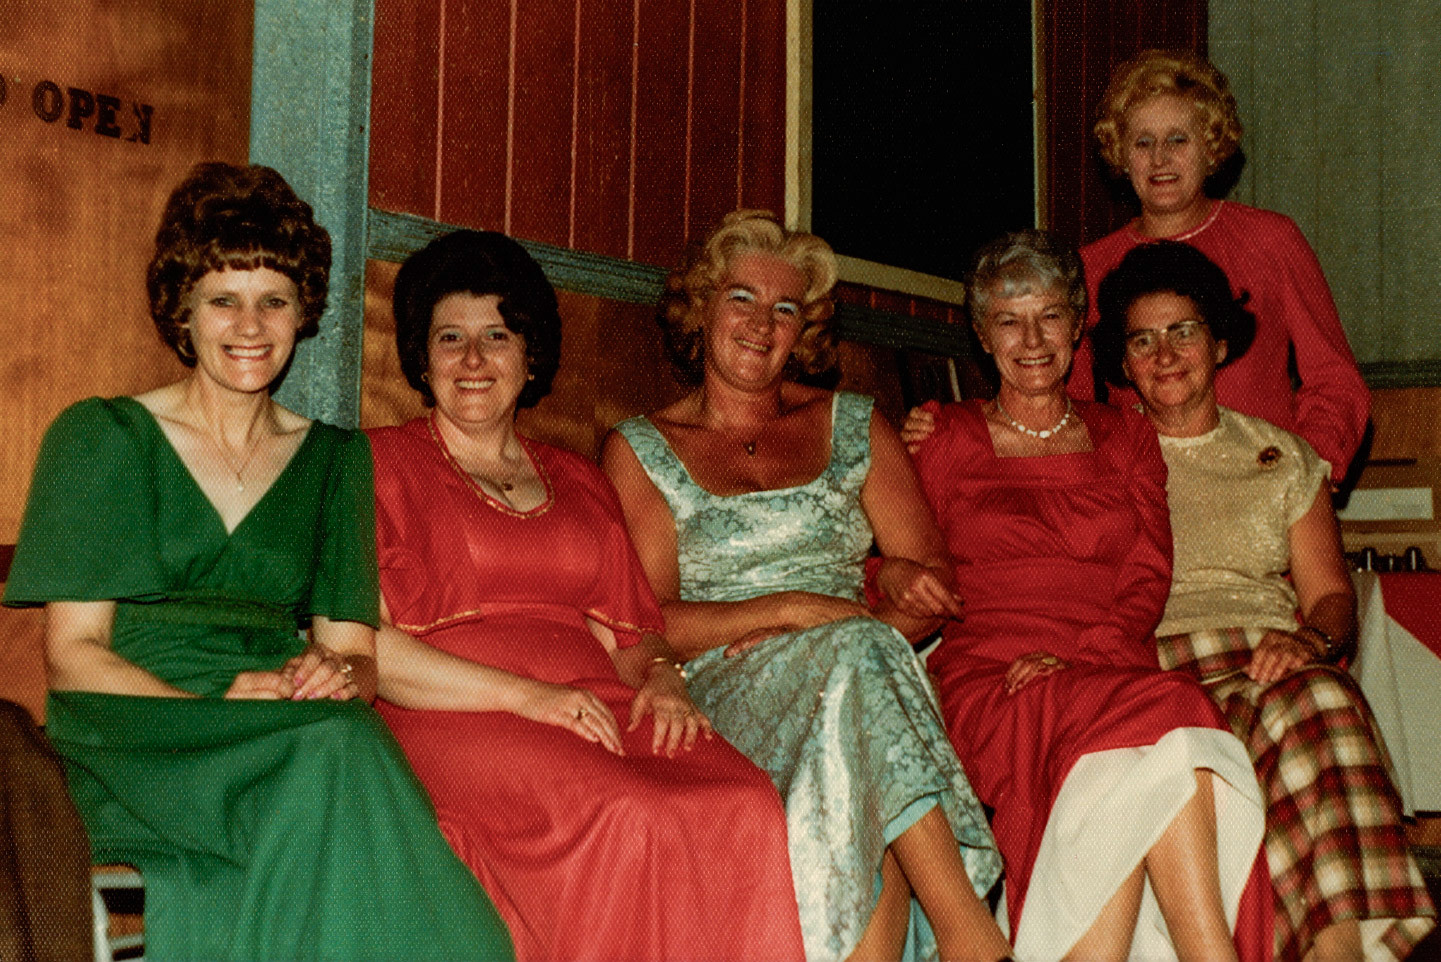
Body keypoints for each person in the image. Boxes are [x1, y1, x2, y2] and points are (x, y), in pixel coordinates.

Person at [1, 162, 512, 961]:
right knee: (339, 751)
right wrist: (218, 713)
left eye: (273, 298)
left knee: (339, 737)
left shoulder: (336, 459)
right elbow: (72, 656)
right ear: (183, 311)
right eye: (223, 300)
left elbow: (355, 660)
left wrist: (332, 678)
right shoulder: (102, 437)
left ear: (302, 310)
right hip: (139, 730)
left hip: (284, 725)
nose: (250, 325)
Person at [368, 229, 806, 962]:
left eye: (496, 336)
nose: (473, 360)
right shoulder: (377, 464)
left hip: (593, 703)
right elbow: (372, 652)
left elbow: (632, 637)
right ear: (422, 356)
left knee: (745, 804)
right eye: (451, 338)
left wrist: (665, 681)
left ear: (528, 354)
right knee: (630, 811)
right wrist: (525, 697)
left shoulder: (578, 477)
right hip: (458, 712)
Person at [602, 210, 1008, 962]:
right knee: (858, 671)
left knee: (856, 676)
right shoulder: (642, 449)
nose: (762, 323)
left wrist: (909, 591)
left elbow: (928, 574)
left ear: (805, 331)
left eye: (784, 309)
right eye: (741, 299)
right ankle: (970, 934)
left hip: (860, 661)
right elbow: (647, 620)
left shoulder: (855, 423)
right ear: (701, 310)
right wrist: (789, 611)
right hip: (723, 683)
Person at [901, 229, 1269, 962]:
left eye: (1049, 316)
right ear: (981, 335)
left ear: (1076, 326)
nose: (1031, 339)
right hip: (992, 679)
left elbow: (1145, 572)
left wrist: (1087, 656)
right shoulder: (942, 437)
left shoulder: (1124, 436)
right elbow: (896, 562)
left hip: (1101, 667)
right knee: (1180, 715)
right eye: (1008, 320)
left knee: (1131, 765)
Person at [1091, 239, 1437, 962]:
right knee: (1298, 712)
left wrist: (1309, 642)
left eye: (1182, 331)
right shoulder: (1100, 456)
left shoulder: (1280, 457)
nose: (1164, 354)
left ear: (1219, 343)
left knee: (1320, 699)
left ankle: (1337, 948)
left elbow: (1330, 598)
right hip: (1150, 665)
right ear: (1120, 364)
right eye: (1141, 340)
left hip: (1269, 656)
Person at [1068, 49, 1369, 484]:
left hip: (1260, 490)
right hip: (1146, 501)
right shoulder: (1089, 268)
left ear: (1210, 146)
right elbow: (1071, 406)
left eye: (1178, 139)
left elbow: (1335, 380)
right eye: (1143, 142)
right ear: (1121, 155)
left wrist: (1303, 469)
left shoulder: (1271, 240)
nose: (1159, 159)